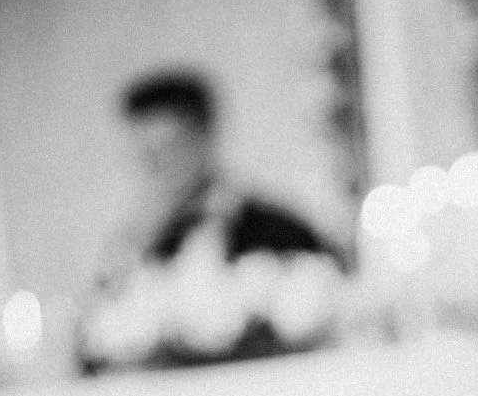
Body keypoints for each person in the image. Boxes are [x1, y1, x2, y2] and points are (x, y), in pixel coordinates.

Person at [97, 69, 339, 287]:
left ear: (205, 137)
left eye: (168, 149)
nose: (154, 167)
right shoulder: (137, 246)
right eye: (145, 154)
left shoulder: (275, 231)